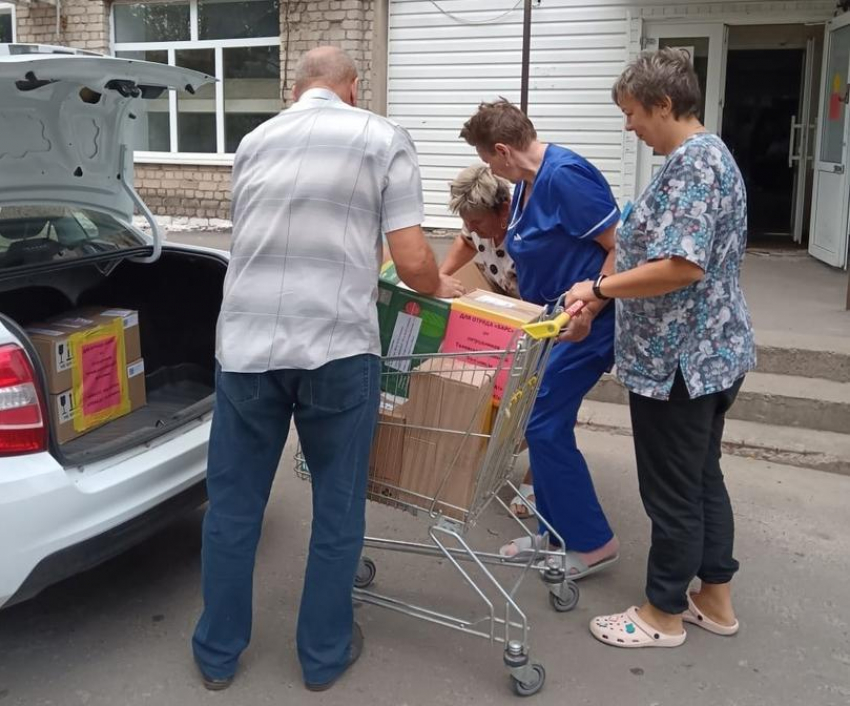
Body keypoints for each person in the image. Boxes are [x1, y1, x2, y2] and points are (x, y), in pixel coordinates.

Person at [191, 46, 455, 692]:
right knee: (337, 507)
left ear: (294, 89)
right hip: (337, 346)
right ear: (352, 90)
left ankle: (217, 653)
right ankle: (323, 655)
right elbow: (413, 259)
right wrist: (443, 294)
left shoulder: (254, 140)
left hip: (248, 348)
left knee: (232, 507)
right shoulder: (381, 137)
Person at [566, 48, 756, 648]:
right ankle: (715, 599)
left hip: (680, 361)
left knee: (671, 490)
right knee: (700, 477)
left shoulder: (694, 165)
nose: (629, 126)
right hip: (711, 354)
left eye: (632, 113)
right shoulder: (705, 155)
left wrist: (597, 286)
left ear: (664, 104)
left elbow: (679, 267)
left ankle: (662, 614)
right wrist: (602, 299)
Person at [460, 100, 620, 578]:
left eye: (488, 159)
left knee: (545, 425)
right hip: (551, 325)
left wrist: (590, 306)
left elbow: (622, 246)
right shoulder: (530, 184)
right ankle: (554, 532)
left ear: (504, 150)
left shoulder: (564, 176)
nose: (489, 169)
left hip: (583, 326)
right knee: (536, 423)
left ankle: (592, 543)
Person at [441, 164, 519, 298]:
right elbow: (466, 242)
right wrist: (440, 276)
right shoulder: (475, 226)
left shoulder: (526, 237)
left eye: (476, 222)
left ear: (503, 210)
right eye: (466, 221)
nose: (471, 228)